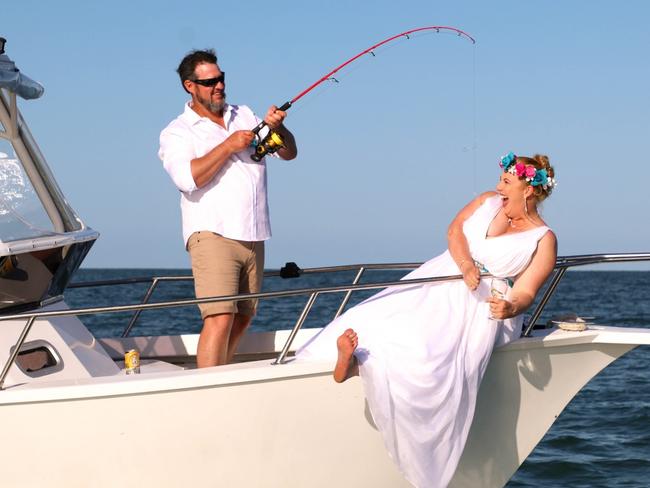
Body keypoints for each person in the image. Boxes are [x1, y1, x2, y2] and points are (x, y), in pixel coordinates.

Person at [296, 153, 557, 488]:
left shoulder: (543, 239)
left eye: (506, 182)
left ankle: (360, 366)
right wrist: (464, 265)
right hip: (443, 275)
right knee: (376, 317)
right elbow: (454, 231)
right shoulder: (488, 201)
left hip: (481, 304)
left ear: (528, 190)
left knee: (425, 351)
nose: (498, 186)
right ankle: (353, 361)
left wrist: (510, 308)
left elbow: (527, 291)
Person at [159, 49, 297, 368]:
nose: (218, 86)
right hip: (212, 233)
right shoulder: (178, 131)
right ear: (189, 86)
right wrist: (228, 146)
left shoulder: (245, 114)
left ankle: (219, 374)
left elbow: (288, 153)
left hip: (254, 234)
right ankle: (207, 388)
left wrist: (279, 128)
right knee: (220, 317)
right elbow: (187, 178)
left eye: (220, 78)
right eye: (209, 82)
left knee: (242, 319)